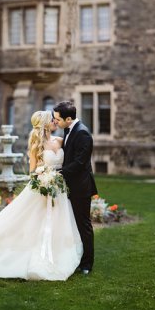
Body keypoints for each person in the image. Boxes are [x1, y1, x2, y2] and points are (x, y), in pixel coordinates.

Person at [0, 111, 83, 281]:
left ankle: (59, 252)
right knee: (31, 223)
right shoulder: (36, 144)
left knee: (59, 222)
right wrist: (44, 180)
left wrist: (56, 179)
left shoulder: (61, 141)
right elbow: (32, 171)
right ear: (44, 124)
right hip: (42, 188)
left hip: (59, 190)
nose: (55, 121)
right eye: (52, 120)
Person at [53, 101, 97, 275]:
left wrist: (59, 172)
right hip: (68, 185)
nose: (56, 122)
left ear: (68, 119)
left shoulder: (83, 134)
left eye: (58, 119)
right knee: (70, 224)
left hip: (80, 187)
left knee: (83, 225)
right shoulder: (68, 129)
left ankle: (87, 264)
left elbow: (79, 162)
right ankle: (75, 257)